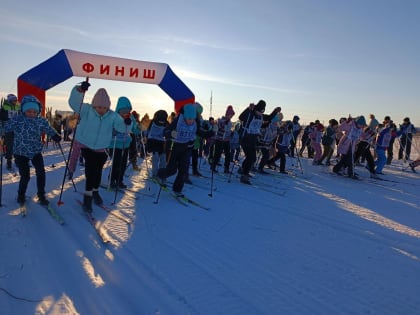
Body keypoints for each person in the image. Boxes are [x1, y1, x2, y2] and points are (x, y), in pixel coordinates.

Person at [68, 81, 130, 212]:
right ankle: (88, 197)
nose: (101, 110)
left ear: (108, 107)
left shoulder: (112, 115)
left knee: (98, 171)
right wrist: (79, 90)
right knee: (90, 171)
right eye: (99, 107)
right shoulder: (87, 110)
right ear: (94, 105)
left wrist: (126, 123)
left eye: (104, 108)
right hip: (87, 145)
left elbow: (121, 127)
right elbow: (74, 103)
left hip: (102, 147)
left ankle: (95, 191)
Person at [2, 95, 61, 205]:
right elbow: (6, 127)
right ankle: (21, 195)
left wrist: (55, 135)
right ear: (24, 110)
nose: (32, 114)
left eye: (34, 112)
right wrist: (2, 126)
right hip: (20, 152)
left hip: (35, 151)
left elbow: (48, 129)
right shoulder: (17, 120)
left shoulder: (41, 121)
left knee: (41, 173)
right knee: (25, 175)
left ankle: (41, 194)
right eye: (29, 111)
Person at [157, 104, 198, 196]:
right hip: (173, 147)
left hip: (185, 149)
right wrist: (171, 133)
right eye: (189, 119)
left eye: (192, 119)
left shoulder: (194, 123)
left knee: (183, 170)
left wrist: (210, 132)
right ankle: (160, 174)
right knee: (172, 170)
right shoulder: (178, 121)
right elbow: (165, 132)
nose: (191, 121)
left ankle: (177, 189)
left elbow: (199, 133)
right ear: (185, 116)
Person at [238, 100, 281, 184]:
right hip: (245, 138)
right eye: (259, 111)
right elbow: (241, 117)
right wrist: (248, 109)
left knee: (251, 157)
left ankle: (243, 170)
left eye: (262, 111)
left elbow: (269, 117)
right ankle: (244, 175)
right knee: (251, 157)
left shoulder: (260, 116)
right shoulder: (251, 114)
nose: (260, 113)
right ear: (256, 109)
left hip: (253, 139)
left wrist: (275, 111)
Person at [108, 96, 136, 189]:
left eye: (127, 111)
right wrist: (113, 131)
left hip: (125, 144)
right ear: (118, 110)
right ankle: (112, 180)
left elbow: (134, 128)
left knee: (123, 164)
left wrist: (138, 129)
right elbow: (109, 126)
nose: (125, 113)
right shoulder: (114, 117)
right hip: (115, 144)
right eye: (123, 111)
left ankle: (119, 180)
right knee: (116, 163)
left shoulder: (130, 118)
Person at [211, 105, 235, 173]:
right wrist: (224, 125)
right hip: (219, 139)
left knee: (228, 154)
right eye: (230, 115)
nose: (231, 117)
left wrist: (231, 133)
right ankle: (213, 166)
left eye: (232, 116)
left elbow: (228, 130)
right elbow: (220, 127)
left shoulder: (229, 122)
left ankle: (226, 168)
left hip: (226, 140)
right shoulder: (221, 120)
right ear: (227, 114)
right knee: (217, 153)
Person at [1, 94, 21, 170]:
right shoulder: (5, 107)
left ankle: (17, 160)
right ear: (10, 101)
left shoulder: (18, 107)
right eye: (13, 100)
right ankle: (9, 160)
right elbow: (2, 118)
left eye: (16, 100)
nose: (15, 101)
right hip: (8, 129)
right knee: (9, 145)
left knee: (17, 145)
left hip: (17, 129)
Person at [146, 109, 168, 178]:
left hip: (162, 143)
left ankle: (161, 173)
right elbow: (148, 131)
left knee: (163, 159)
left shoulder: (166, 123)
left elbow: (169, 131)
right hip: (153, 142)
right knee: (155, 158)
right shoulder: (153, 122)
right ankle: (155, 174)